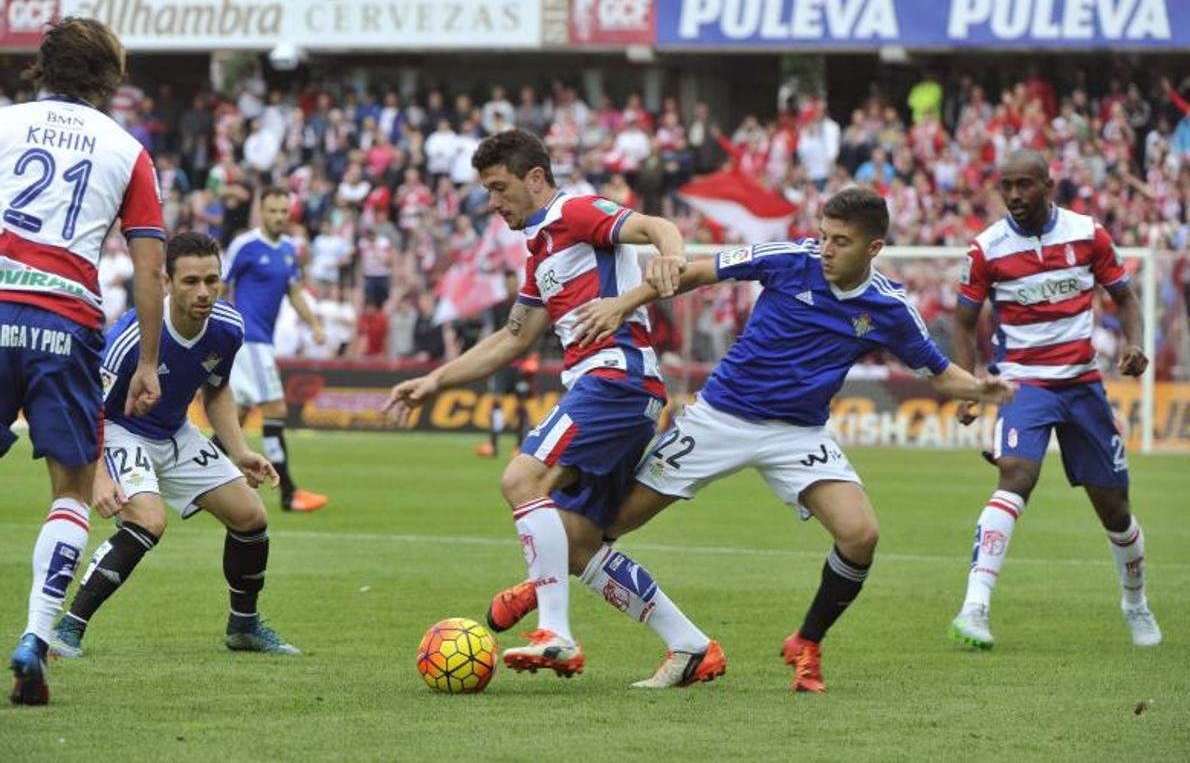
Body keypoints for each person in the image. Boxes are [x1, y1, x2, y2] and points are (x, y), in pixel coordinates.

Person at [489, 186, 1015, 693]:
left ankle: (807, 641)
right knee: (593, 535)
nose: (825, 249)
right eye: (824, 235)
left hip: (798, 435)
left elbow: (941, 374)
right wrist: (625, 303)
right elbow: (695, 272)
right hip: (717, 420)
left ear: (874, 248)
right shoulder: (790, 258)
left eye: (841, 241)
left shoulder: (888, 308)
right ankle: (544, 592)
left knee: (861, 535)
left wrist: (982, 389)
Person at [384, 129, 725, 688]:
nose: (493, 203)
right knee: (577, 539)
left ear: (535, 178)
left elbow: (654, 225)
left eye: (500, 188)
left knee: (522, 479)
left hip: (614, 378)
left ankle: (555, 633)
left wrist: (671, 256)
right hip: (620, 389)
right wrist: (436, 380)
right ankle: (689, 646)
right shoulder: (542, 249)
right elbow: (513, 339)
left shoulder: (575, 212)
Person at [1, 17, 166, 706]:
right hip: (65, 317)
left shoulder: (4, 125)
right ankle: (36, 639)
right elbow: (150, 269)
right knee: (71, 487)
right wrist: (150, 362)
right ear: (110, 80)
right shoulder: (128, 151)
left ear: (44, 66)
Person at [48, 232, 299, 658]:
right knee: (149, 520)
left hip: (175, 431)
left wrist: (240, 451)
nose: (204, 292)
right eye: (190, 281)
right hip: (121, 429)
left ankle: (244, 627)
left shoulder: (228, 327)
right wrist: (99, 477)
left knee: (251, 516)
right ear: (166, 282)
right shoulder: (129, 338)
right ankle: (67, 628)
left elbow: (216, 391)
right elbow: (87, 409)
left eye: (211, 280)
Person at [947, 150, 1160, 650]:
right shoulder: (986, 248)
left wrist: (1134, 344)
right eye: (1007, 186)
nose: (1015, 195)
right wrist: (966, 385)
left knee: (1115, 511)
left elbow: (1126, 300)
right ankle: (974, 606)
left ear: (1049, 185)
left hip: (1082, 384)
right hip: (1023, 385)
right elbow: (962, 322)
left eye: (1025, 184)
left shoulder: (1088, 234)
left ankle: (1135, 604)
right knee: (1017, 474)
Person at [222, 186, 329, 513]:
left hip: (263, 341)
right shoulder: (246, 245)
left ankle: (199, 474)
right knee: (276, 410)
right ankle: (288, 493)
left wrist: (313, 323)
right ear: (262, 212)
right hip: (249, 339)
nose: (279, 217)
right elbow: (221, 286)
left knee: (236, 416)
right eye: (273, 211)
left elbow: (294, 291)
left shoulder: (287, 250)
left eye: (284, 211)